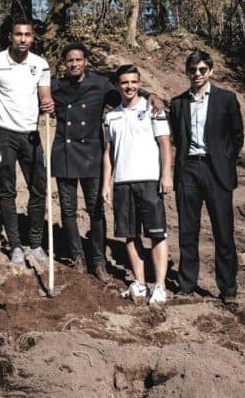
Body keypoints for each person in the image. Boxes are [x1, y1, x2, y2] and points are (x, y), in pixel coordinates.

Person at [50, 42, 162, 282]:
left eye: (78, 59)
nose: (74, 64)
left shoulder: (100, 85)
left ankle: (99, 262)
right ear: (64, 63)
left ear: (86, 61)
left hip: (91, 154)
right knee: (68, 210)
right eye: (70, 60)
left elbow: (125, 95)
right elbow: (37, 96)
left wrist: (149, 95)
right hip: (65, 153)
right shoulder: (56, 86)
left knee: (96, 209)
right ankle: (77, 256)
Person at [169, 50, 244, 305]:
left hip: (216, 172)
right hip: (188, 169)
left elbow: (237, 137)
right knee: (188, 231)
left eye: (202, 69)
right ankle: (187, 285)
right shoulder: (178, 103)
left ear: (210, 71)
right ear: (187, 72)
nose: (197, 74)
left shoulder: (226, 99)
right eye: (192, 70)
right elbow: (176, 139)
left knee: (223, 231)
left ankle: (228, 289)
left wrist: (224, 161)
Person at [0, 19, 54, 268]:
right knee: (8, 190)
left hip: (31, 133)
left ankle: (34, 244)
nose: (23, 39)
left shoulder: (40, 64)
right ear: (10, 37)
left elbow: (45, 95)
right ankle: (15, 246)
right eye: (18, 34)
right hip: (3, 133)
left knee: (39, 187)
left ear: (33, 38)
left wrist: (48, 103)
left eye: (28, 35)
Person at [102, 65, 172, 305]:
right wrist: (106, 183)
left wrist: (166, 175)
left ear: (140, 83)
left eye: (133, 82)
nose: (129, 86)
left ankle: (160, 286)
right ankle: (140, 283)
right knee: (130, 236)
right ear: (117, 85)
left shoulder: (153, 108)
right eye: (124, 82)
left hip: (150, 181)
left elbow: (165, 144)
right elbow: (108, 153)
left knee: (157, 234)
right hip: (123, 183)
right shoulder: (111, 116)